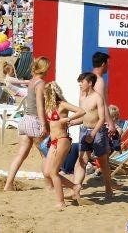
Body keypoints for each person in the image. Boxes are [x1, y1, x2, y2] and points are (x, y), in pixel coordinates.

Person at [4, 56, 50, 191]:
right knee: (45, 154)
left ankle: (8, 184)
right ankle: (49, 185)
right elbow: (40, 106)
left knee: (20, 155)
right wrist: (43, 124)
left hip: (24, 120)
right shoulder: (40, 83)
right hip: (34, 120)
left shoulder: (32, 82)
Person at [41, 81, 85, 208]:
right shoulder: (49, 106)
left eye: (46, 93)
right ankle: (75, 187)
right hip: (54, 141)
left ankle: (60, 202)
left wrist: (68, 120)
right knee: (47, 172)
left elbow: (81, 111)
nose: (44, 96)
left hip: (62, 140)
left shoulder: (62, 105)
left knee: (54, 172)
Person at [73, 71, 111, 200]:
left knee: (103, 161)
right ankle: (76, 189)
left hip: (98, 131)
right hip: (84, 130)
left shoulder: (98, 97)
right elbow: (82, 117)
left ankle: (108, 188)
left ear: (90, 83)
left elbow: (101, 119)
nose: (80, 84)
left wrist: (93, 134)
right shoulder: (82, 98)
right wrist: (70, 122)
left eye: (82, 82)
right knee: (82, 161)